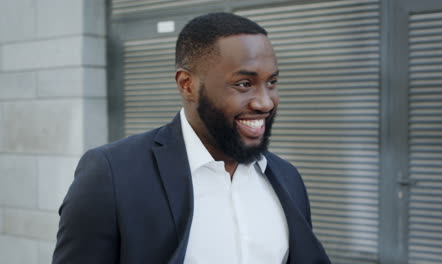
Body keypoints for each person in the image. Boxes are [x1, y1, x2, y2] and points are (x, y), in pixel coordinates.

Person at [52, 12, 330, 264]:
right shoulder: (111, 174)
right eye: (244, 84)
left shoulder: (287, 177)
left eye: (271, 82)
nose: (265, 102)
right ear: (188, 85)